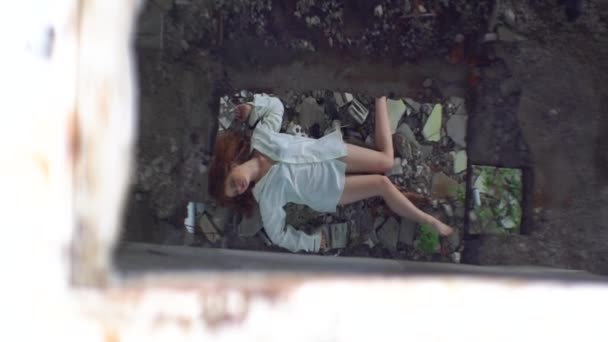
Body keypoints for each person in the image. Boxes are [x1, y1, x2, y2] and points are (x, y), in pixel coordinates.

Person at [209, 94, 453, 253]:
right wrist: (312, 242)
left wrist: (252, 107)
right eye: (234, 192)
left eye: (231, 183)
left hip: (329, 152)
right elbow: (279, 235)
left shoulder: (260, 138)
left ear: (231, 165)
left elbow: (276, 107)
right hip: (329, 189)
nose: (237, 188)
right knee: (382, 183)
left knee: (387, 161)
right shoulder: (266, 197)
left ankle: (379, 96)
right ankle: (429, 220)